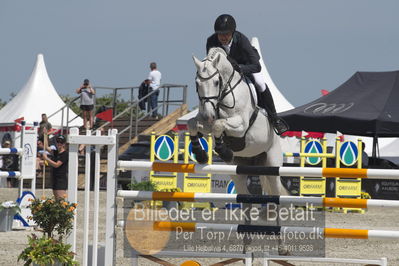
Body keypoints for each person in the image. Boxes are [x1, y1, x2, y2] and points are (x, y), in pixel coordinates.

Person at [206, 14, 288, 135]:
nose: (223, 37)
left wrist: (239, 69)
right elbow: (211, 64)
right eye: (220, 34)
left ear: (232, 33)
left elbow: (256, 66)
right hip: (225, 71)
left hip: (246, 65)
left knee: (260, 84)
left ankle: (275, 118)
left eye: (226, 34)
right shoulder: (211, 41)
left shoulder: (242, 40)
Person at [41, 135, 68, 199]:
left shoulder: (65, 154)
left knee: (60, 200)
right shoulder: (56, 152)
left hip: (61, 179)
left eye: (61, 142)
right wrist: (45, 135)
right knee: (56, 199)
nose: (59, 143)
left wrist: (46, 159)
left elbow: (56, 165)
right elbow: (46, 147)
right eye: (58, 141)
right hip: (55, 178)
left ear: (64, 144)